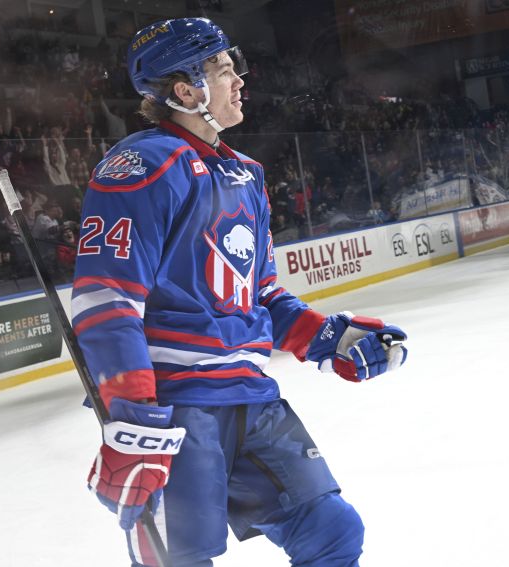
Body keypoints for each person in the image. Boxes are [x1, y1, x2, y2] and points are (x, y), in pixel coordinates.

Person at [72, 18, 409, 567]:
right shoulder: (141, 167)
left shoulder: (244, 173)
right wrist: (134, 418)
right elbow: (107, 299)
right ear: (186, 92)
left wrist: (331, 339)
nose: (239, 80)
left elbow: (260, 295)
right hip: (180, 407)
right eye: (224, 70)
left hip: (252, 398)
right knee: (179, 560)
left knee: (332, 532)